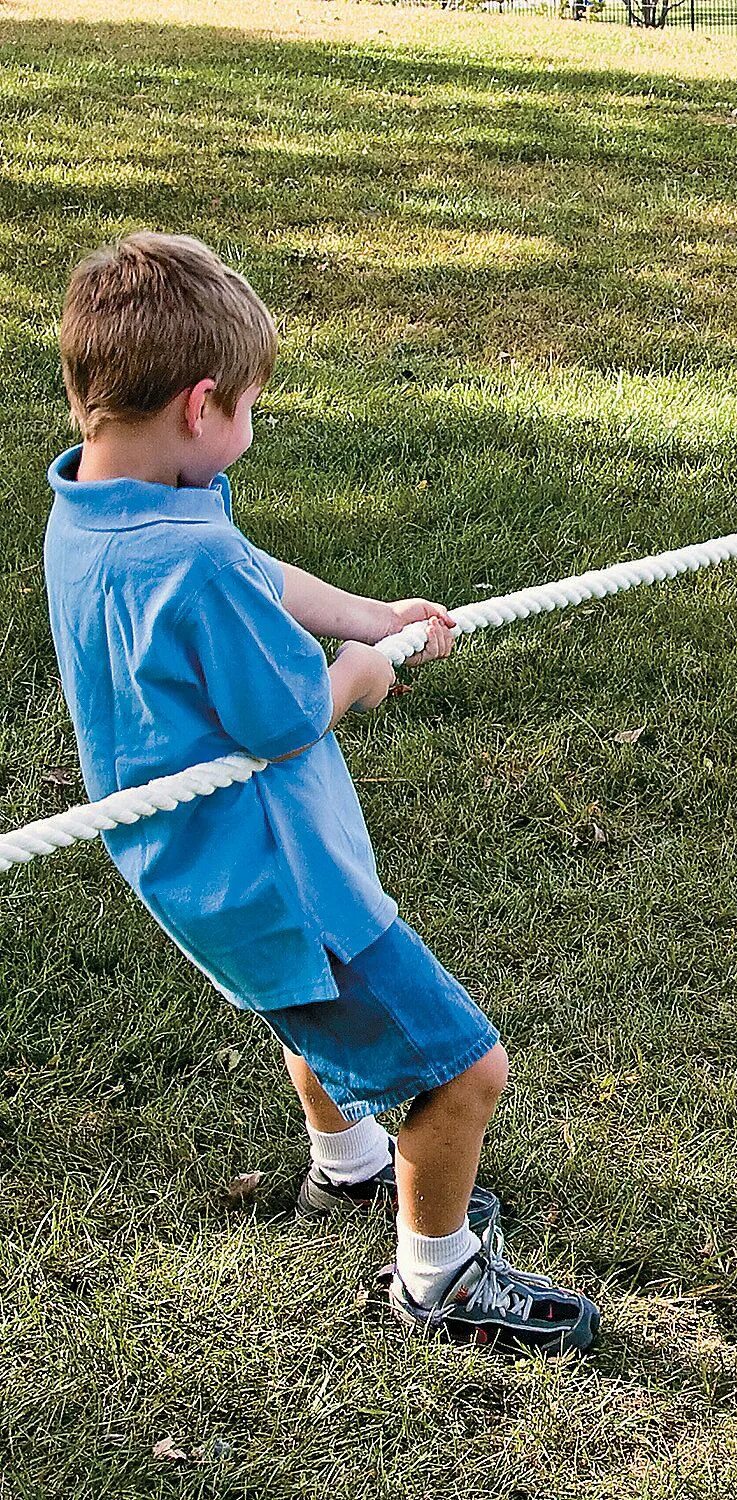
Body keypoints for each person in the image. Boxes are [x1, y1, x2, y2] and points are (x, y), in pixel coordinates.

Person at [44, 232, 597, 1353]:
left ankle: (347, 1166)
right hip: (284, 876)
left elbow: (250, 569)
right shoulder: (181, 560)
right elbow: (290, 710)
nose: (249, 427)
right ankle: (436, 1278)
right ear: (203, 405)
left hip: (197, 874)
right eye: (249, 405)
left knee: (299, 1003)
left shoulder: (97, 510)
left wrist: (369, 613)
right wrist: (365, 669)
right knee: (463, 1066)